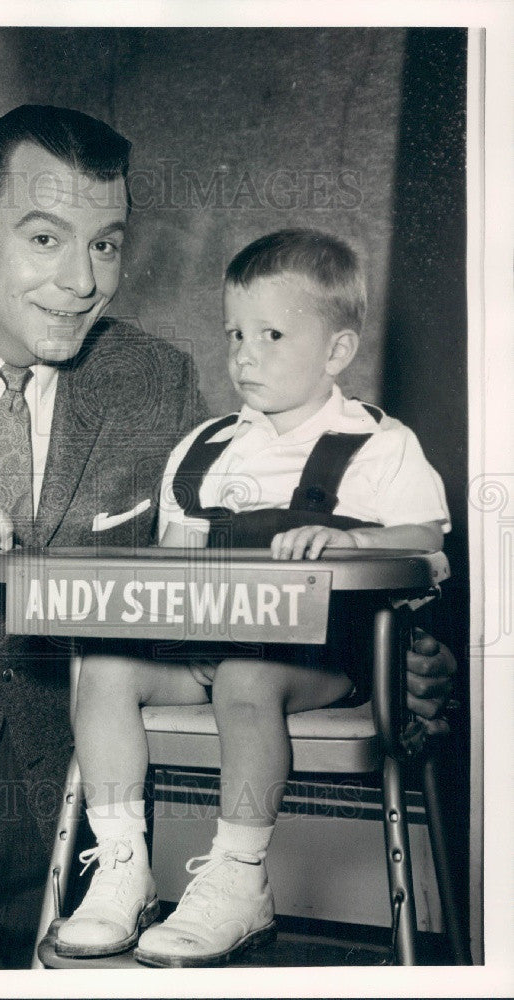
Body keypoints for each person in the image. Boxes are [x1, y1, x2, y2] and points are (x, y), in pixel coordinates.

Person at [0, 106, 455, 970]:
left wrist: (399, 648)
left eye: (106, 244)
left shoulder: (155, 379)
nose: (82, 281)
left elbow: (226, 563)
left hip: (86, 827)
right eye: (45, 240)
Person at [54, 228, 452, 968]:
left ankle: (238, 878)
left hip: (323, 664)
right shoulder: (204, 448)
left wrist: (353, 542)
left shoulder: (373, 443)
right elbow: (171, 565)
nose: (243, 353)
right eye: (235, 332)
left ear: (335, 352)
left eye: (271, 334)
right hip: (206, 645)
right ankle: (119, 869)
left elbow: (427, 539)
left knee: (244, 676)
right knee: (104, 667)